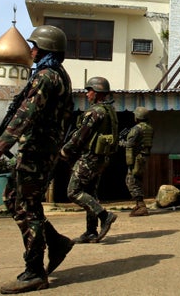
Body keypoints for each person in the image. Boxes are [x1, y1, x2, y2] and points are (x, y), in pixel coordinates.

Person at [0, 25, 75, 294]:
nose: (31, 50)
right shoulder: (58, 75)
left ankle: (34, 271)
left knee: (26, 206)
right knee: (13, 198)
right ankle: (56, 242)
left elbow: (26, 114)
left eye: (35, 46)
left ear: (47, 49)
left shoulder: (46, 77)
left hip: (37, 151)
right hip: (40, 149)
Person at [60, 76, 119, 243]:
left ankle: (104, 215)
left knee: (74, 191)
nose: (87, 95)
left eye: (89, 91)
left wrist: (65, 150)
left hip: (90, 158)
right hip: (101, 158)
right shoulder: (110, 111)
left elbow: (81, 136)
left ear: (98, 93)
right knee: (90, 193)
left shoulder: (95, 112)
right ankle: (91, 231)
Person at [121, 106, 154, 217]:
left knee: (131, 180)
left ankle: (141, 205)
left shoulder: (136, 129)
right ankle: (138, 204)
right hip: (144, 157)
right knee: (137, 179)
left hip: (136, 158)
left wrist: (121, 143)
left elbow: (130, 144)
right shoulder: (149, 128)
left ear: (138, 117)